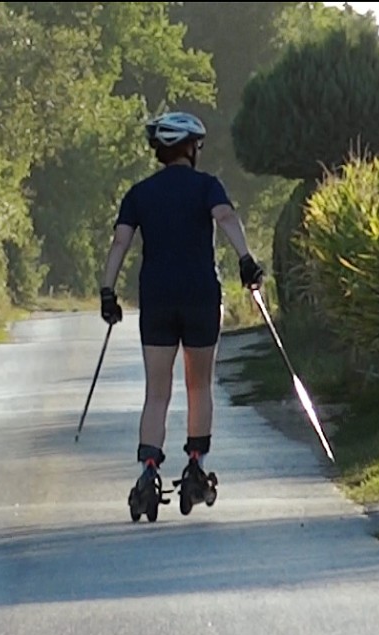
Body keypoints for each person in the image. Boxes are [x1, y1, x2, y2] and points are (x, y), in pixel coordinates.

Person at [98, 111, 265, 521]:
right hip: (199, 296)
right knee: (198, 387)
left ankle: (148, 472)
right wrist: (246, 260)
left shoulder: (139, 193)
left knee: (157, 392)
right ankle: (194, 465)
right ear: (189, 147)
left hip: (155, 299)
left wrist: (107, 290)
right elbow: (225, 217)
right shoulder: (207, 186)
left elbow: (120, 242)